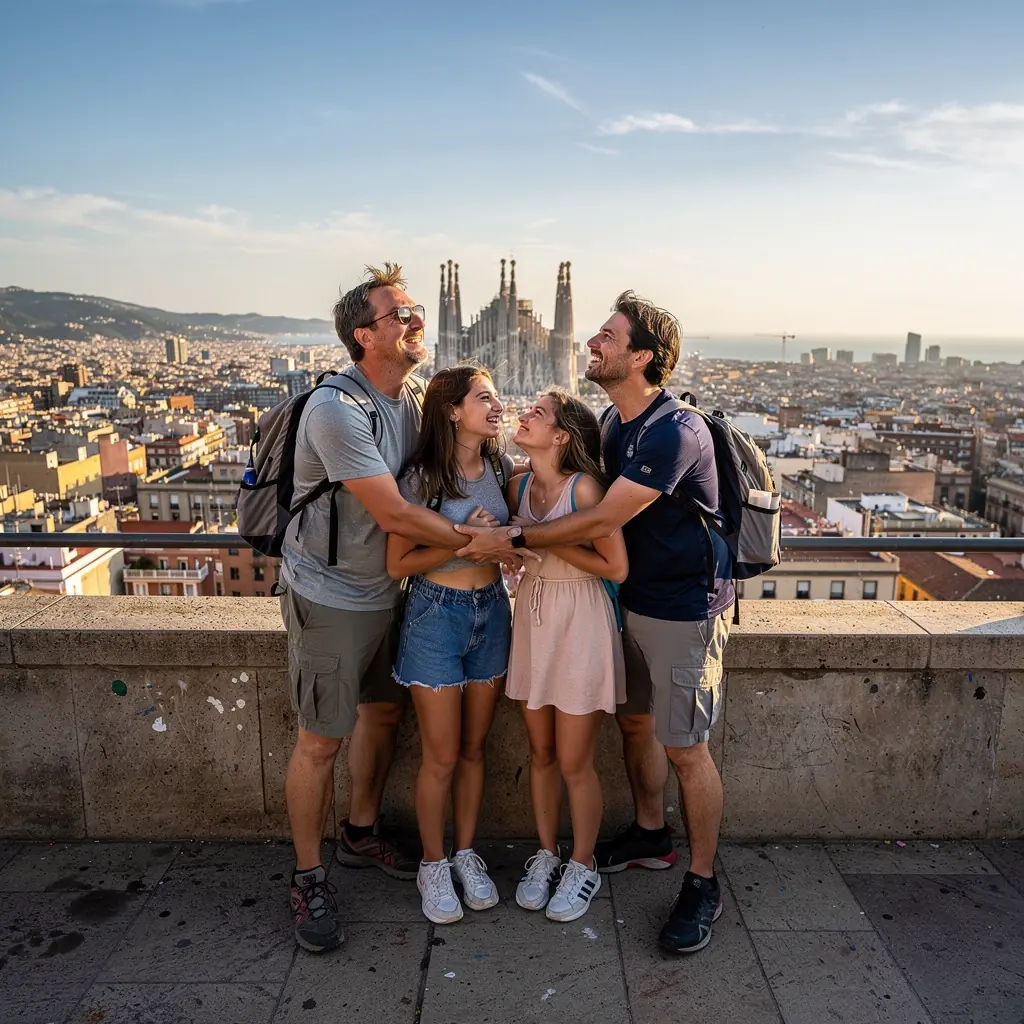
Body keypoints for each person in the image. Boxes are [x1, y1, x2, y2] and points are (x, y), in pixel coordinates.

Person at [454, 291, 734, 955]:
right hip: (623, 604)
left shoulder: (675, 430)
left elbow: (604, 520)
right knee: (635, 725)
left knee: (685, 747)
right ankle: (649, 835)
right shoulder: (613, 424)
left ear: (642, 357)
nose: (591, 342)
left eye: (608, 336)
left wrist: (515, 538)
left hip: (682, 606)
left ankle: (702, 882)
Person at [279, 264, 497, 954]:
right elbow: (396, 512)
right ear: (363, 335)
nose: (414, 321)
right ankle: (307, 877)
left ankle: (360, 832)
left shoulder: (413, 399)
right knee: (321, 739)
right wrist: (484, 542)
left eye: (415, 310)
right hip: (333, 595)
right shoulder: (337, 409)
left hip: (394, 591)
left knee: (380, 716)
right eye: (398, 314)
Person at [386, 366, 514, 925]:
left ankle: (465, 853)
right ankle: (432, 864)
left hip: (493, 612)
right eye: (484, 397)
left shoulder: (501, 468)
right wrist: (467, 542)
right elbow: (399, 563)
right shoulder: (420, 479)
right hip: (436, 615)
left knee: (474, 748)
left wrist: (497, 544)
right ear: (453, 411)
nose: (497, 405)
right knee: (440, 754)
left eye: (495, 396)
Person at [505, 389, 628, 923]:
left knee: (575, 760)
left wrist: (539, 538)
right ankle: (546, 854)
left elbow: (616, 567)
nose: (524, 415)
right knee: (541, 753)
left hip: (579, 618)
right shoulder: (517, 485)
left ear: (561, 437)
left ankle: (582, 863)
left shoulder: (585, 489)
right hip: (534, 617)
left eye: (538, 413)